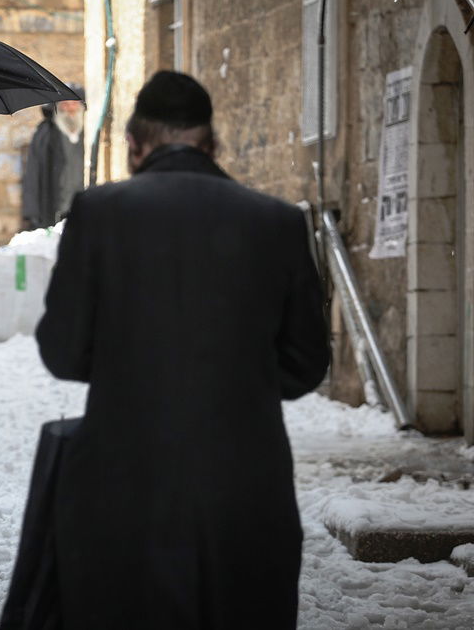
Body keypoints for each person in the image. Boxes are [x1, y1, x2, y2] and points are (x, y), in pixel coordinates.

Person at [31, 71, 329, 628]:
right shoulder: (278, 223)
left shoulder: (99, 213)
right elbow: (306, 364)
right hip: (246, 485)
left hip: (126, 482)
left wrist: (131, 365)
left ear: (133, 144)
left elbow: (63, 353)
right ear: (213, 143)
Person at [20, 86, 85, 230]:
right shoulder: (46, 135)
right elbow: (33, 174)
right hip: (56, 206)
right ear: (57, 107)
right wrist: (32, 213)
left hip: (83, 206)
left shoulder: (88, 134)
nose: (70, 108)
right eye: (65, 104)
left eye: (74, 103)